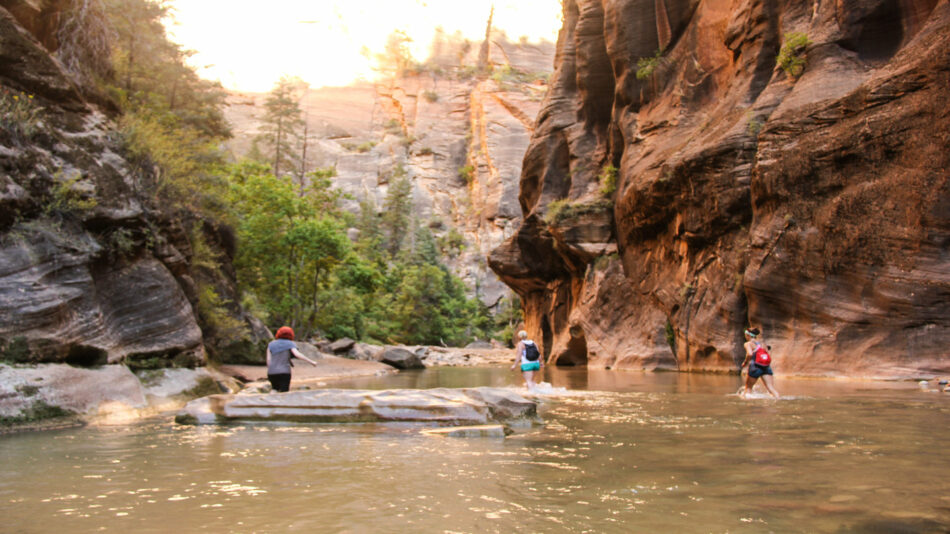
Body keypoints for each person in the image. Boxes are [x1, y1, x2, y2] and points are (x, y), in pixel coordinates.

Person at [266, 326, 318, 392]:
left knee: (274, 389)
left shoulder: (270, 344)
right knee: (284, 392)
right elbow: (297, 354)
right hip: (284, 372)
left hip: (271, 372)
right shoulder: (290, 343)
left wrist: (271, 369)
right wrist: (311, 362)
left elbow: (268, 360)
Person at [739, 327, 780, 399]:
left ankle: (747, 408)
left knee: (748, 389)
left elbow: (750, 354)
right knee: (771, 388)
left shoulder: (748, 344)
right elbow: (768, 354)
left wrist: (745, 362)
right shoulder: (763, 344)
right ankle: (778, 399)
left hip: (755, 367)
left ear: (748, 335)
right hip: (766, 367)